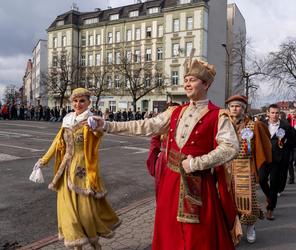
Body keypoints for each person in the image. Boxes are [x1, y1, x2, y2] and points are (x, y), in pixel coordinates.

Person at [92, 59, 239, 249]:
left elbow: (230, 147)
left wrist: (197, 163)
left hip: (198, 185)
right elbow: (145, 125)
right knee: (169, 233)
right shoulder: (175, 111)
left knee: (197, 237)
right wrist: (107, 125)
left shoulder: (218, 115)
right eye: (185, 79)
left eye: (192, 79)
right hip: (170, 182)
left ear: (206, 84)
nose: (186, 83)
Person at [32, 88, 120, 249]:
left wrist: (96, 128)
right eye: (75, 101)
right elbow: (57, 142)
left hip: (83, 171)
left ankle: (95, 244)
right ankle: (76, 245)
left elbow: (97, 136)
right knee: (68, 212)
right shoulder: (67, 119)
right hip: (65, 170)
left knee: (86, 213)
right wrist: (43, 160)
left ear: (88, 102)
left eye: (82, 101)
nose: (78, 104)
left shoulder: (92, 119)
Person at [226, 95, 272, 243]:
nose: (234, 108)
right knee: (229, 200)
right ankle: (234, 230)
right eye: (232, 106)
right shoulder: (224, 124)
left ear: (243, 108)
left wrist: (258, 170)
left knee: (248, 200)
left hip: (246, 168)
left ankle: (250, 227)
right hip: (226, 167)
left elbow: (261, 148)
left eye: (238, 106)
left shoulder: (253, 125)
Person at [259, 104, 296, 220]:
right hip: (264, 158)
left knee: (274, 184)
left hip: (278, 159)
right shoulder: (261, 124)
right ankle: (269, 197)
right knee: (261, 180)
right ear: (268, 113)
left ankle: (270, 209)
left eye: (277, 113)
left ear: (279, 113)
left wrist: (285, 143)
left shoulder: (286, 126)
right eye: (272, 113)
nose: (275, 115)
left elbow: (295, 140)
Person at [146, 103, 180, 200]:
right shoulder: (162, 124)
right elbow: (154, 143)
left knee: (176, 191)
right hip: (164, 161)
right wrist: (154, 163)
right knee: (162, 189)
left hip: (178, 160)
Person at [287, 104, 296, 184]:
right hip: (289, 144)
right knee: (289, 161)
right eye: (291, 112)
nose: (293, 114)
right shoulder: (286, 121)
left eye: (294, 112)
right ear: (289, 113)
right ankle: (291, 178)